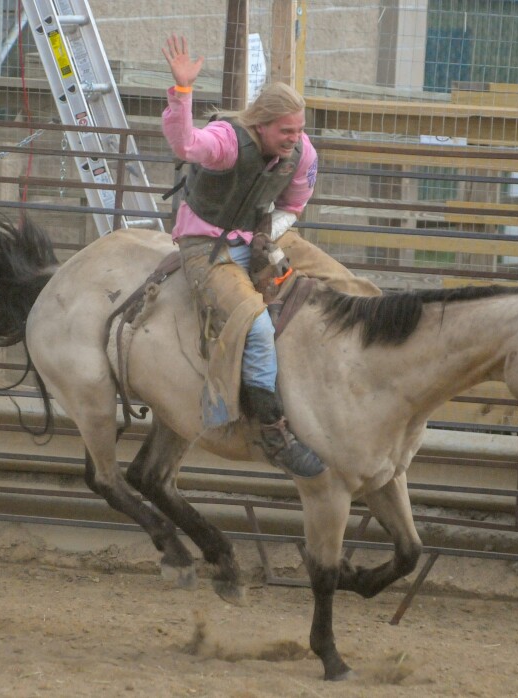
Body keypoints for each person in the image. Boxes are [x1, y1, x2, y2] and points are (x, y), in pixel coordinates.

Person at [161, 34, 379, 479]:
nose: (294, 139)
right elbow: (186, 145)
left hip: (261, 234)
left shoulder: (301, 154)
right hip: (208, 247)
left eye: (299, 130)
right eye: (286, 131)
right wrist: (182, 91)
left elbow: (294, 207)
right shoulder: (226, 143)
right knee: (256, 326)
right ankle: (273, 433)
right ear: (262, 124)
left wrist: (268, 235)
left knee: (351, 287)